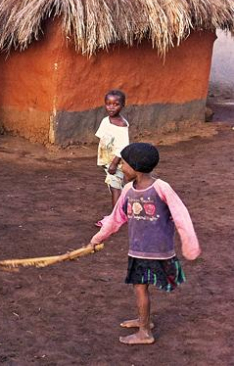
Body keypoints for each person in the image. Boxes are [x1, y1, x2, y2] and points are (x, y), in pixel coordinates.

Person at [88, 143, 201, 345]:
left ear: (135, 166)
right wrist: (97, 238)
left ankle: (144, 332)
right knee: (140, 287)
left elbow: (181, 215)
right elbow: (116, 218)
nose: (121, 167)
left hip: (152, 250)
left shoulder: (161, 188)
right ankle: (143, 320)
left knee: (140, 288)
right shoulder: (128, 191)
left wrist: (190, 245)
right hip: (138, 249)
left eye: (124, 163)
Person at [95, 90, 129, 227]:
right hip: (108, 161)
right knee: (115, 187)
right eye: (108, 104)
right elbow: (102, 139)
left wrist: (114, 164)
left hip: (116, 163)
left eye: (116, 104)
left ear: (123, 105)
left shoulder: (121, 125)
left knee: (115, 188)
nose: (111, 107)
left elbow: (123, 148)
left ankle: (115, 218)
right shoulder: (105, 121)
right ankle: (123, 211)